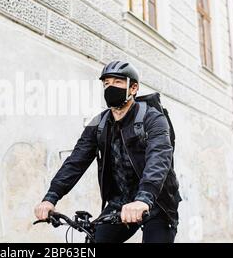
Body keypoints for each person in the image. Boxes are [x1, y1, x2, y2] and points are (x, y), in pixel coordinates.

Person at [34, 61, 182, 243]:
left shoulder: (153, 118)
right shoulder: (99, 123)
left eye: (118, 82)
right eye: (106, 83)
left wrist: (144, 198)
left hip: (157, 201)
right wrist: (51, 197)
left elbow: (159, 158)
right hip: (120, 203)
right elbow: (76, 161)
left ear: (133, 88)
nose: (110, 87)